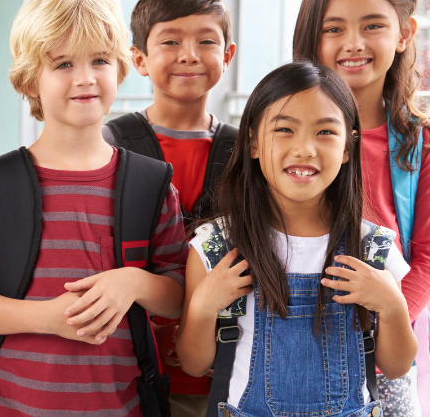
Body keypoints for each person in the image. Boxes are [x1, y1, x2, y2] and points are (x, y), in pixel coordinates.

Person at [0, 0, 187, 416]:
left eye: (99, 60)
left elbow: (178, 295)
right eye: (63, 64)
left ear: (121, 68)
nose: (86, 78)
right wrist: (47, 318)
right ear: (31, 80)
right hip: (10, 407)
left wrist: (132, 281)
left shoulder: (151, 187)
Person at [175, 61, 418, 417]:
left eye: (325, 132)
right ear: (254, 142)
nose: (305, 148)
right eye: (285, 129)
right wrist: (203, 307)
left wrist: (393, 306)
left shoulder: (373, 247)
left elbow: (396, 367)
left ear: (348, 148)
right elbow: (194, 364)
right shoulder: (217, 246)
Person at [292, 0, 430, 412]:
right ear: (313, 39)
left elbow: (426, 257)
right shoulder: (281, 135)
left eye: (373, 25)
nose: (353, 43)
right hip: (290, 337)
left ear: (405, 33)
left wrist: (386, 320)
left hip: (382, 347)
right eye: (334, 29)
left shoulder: (421, 144)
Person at [103, 0, 237, 416]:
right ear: (138, 59)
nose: (189, 54)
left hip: (222, 370)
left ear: (228, 55)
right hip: (125, 367)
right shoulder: (110, 145)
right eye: (171, 41)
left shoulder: (246, 151)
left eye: (206, 41)